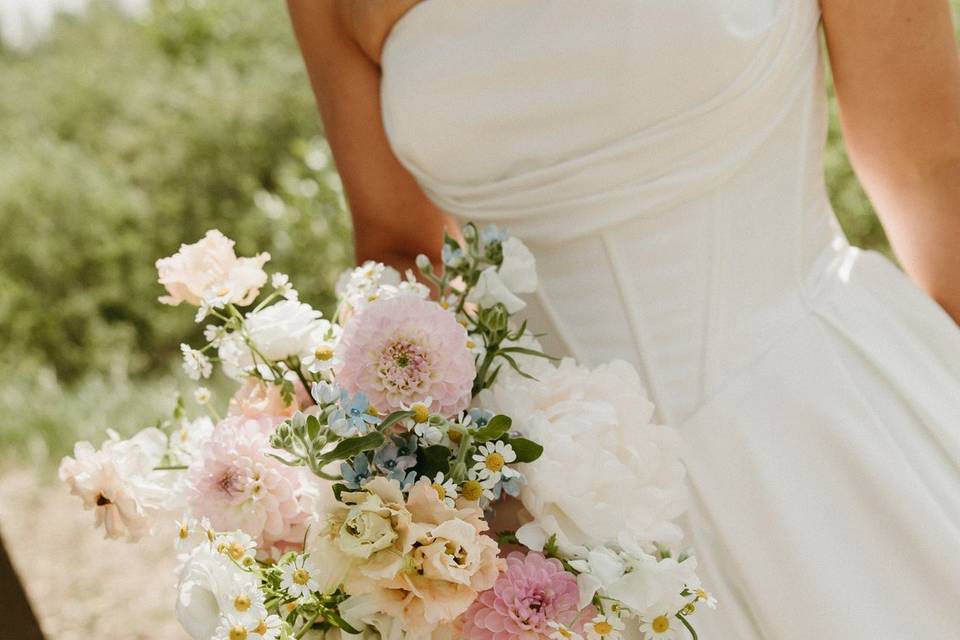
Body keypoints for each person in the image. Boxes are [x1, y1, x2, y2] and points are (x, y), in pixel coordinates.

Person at [286, 1, 960, 637]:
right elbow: (397, 247)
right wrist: (390, 472)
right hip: (556, 526)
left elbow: (932, 168)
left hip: (833, 431)